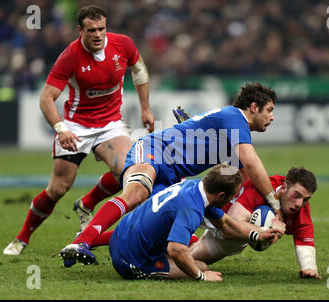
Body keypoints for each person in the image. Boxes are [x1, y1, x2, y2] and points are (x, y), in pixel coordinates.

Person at [60, 81, 286, 264]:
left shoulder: (234, 134)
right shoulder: (235, 117)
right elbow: (253, 164)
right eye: (269, 110)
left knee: (171, 234)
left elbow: (238, 180)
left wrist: (245, 220)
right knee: (136, 193)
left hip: (172, 177)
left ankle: (87, 239)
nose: (272, 117)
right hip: (154, 151)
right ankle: (81, 244)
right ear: (254, 107)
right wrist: (275, 206)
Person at [3, 5, 154, 255]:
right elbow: (46, 98)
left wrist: (145, 108)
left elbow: (139, 70)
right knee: (58, 188)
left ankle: (87, 203)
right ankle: (22, 238)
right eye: (91, 30)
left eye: (101, 29)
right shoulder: (70, 56)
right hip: (76, 126)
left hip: (110, 124)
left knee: (127, 172)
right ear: (80, 30)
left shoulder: (123, 45)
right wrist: (61, 129)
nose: (97, 35)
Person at [61, 164, 282, 280]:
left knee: (186, 248)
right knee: (199, 265)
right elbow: (176, 250)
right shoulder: (191, 208)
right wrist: (201, 277)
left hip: (121, 236)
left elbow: (225, 223)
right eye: (232, 196)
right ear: (222, 195)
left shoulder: (197, 187)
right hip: (130, 262)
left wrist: (256, 233)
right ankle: (146, 269)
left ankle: (84, 240)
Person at [190, 166, 322, 279]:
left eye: (305, 199)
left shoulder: (301, 207)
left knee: (193, 259)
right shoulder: (260, 189)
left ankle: (188, 242)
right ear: (283, 187)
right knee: (184, 262)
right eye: (296, 195)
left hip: (226, 230)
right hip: (207, 207)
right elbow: (229, 228)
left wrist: (309, 268)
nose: (299, 203)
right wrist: (265, 230)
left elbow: (304, 240)